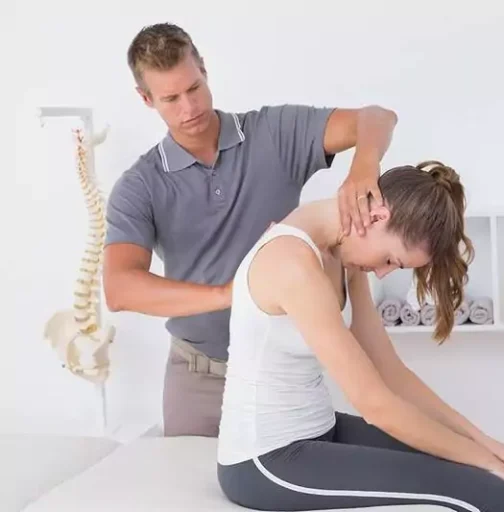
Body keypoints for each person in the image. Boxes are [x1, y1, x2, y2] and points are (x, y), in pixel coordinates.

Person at [103, 22, 398, 438]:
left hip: (282, 370)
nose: (189, 108)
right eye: (170, 98)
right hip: (198, 379)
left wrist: (364, 165)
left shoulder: (273, 135)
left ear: (203, 68)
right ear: (146, 99)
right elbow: (120, 289)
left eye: (194, 88)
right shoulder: (141, 185)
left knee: (288, 493)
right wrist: (230, 293)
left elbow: (377, 118)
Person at [216, 161, 504, 512]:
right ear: (376, 217)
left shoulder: (342, 256)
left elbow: (390, 371)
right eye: (390, 259)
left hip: (321, 430)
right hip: (266, 460)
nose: (383, 274)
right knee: (486, 494)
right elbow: (375, 405)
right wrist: (486, 462)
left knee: (488, 477)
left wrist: (487, 446)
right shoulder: (292, 263)